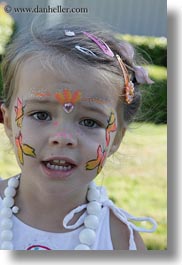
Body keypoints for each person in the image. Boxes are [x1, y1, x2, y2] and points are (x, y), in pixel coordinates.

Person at [0, 20, 157, 250]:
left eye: (89, 121)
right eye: (41, 115)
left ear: (117, 139)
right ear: (9, 123)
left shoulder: (120, 240)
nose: (63, 137)